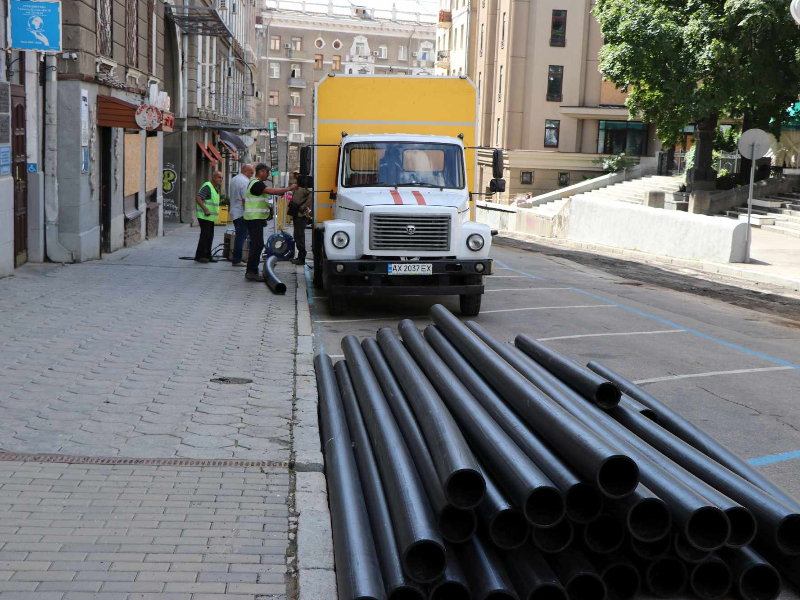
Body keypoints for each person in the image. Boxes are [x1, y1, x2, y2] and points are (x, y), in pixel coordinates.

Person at [243, 164, 297, 281]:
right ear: (261, 171)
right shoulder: (256, 183)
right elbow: (271, 191)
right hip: (253, 219)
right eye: (267, 172)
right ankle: (252, 271)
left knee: (256, 245)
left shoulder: (255, 183)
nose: (268, 175)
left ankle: (252, 271)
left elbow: (259, 201)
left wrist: (263, 219)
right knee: (257, 245)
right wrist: (288, 188)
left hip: (256, 219)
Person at [194, 171, 223, 263]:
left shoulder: (216, 188)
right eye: (219, 177)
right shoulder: (207, 186)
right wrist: (205, 209)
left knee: (210, 236)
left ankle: (207, 255)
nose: (221, 179)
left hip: (210, 217)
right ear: (213, 178)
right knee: (205, 236)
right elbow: (198, 198)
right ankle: (199, 256)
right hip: (204, 216)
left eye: (221, 178)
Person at [228, 163, 253, 267]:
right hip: (241, 213)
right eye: (251, 173)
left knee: (240, 235)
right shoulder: (245, 181)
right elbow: (245, 199)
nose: (252, 175)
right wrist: (250, 213)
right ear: (246, 171)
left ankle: (238, 258)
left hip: (234, 211)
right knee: (241, 237)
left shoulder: (234, 179)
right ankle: (237, 260)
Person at [288, 172, 313, 265]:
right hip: (296, 213)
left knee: (299, 236)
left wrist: (304, 206)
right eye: (295, 174)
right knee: (297, 235)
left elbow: (311, 194)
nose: (296, 175)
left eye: (297, 174)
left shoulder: (306, 184)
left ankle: (301, 257)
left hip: (301, 214)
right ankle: (300, 256)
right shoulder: (300, 184)